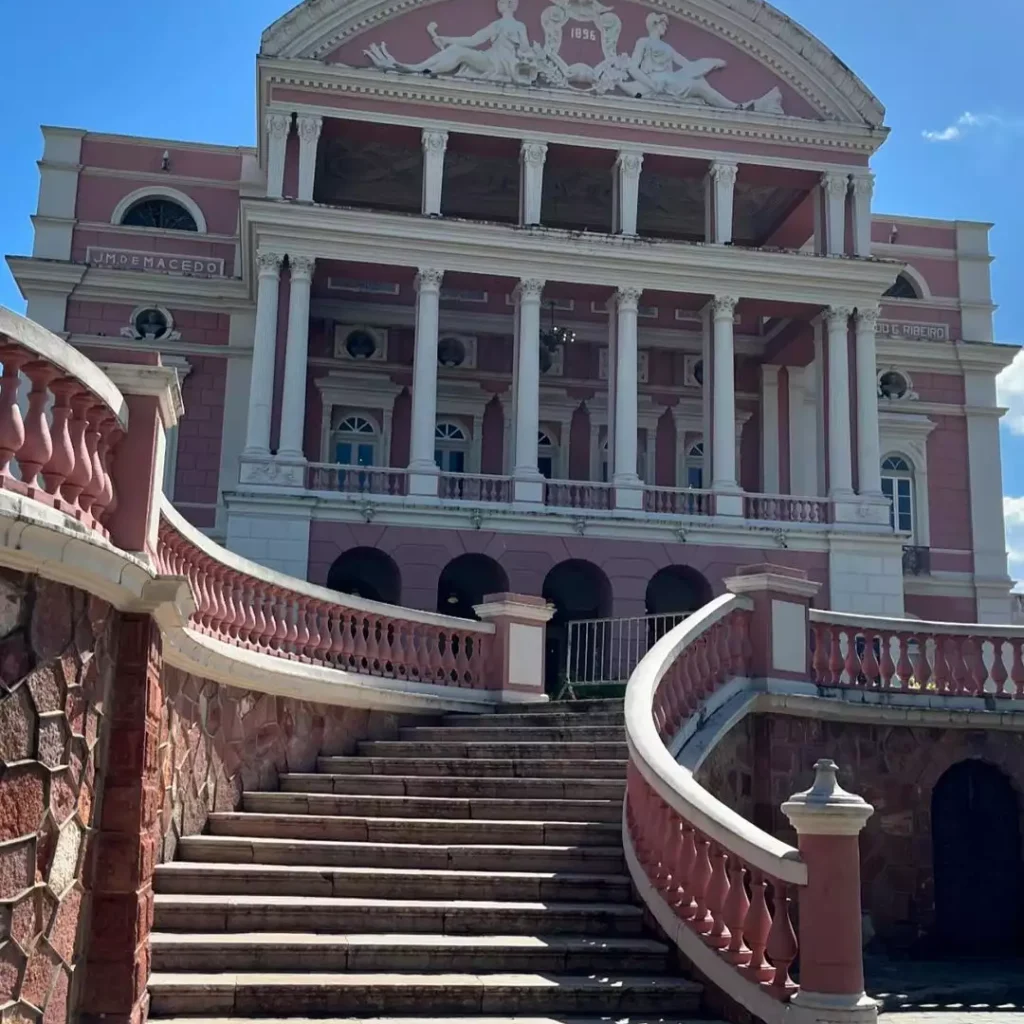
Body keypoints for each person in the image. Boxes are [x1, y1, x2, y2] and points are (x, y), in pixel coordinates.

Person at [365, 0, 537, 84]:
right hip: (491, 59)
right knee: (456, 50)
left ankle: (418, 69)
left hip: (501, 65)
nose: (500, 4)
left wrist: (526, 58)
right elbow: (473, 40)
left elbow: (525, 48)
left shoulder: (515, 25)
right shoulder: (499, 24)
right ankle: (419, 68)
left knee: (458, 51)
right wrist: (446, 40)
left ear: (508, 4)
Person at [622, 12, 738, 108]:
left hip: (670, 80)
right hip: (657, 80)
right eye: (663, 25)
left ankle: (733, 107)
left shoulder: (667, 48)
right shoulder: (643, 42)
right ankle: (734, 107)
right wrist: (652, 85)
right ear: (655, 24)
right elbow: (633, 69)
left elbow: (687, 64)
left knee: (698, 79)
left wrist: (712, 63)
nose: (666, 28)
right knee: (699, 86)